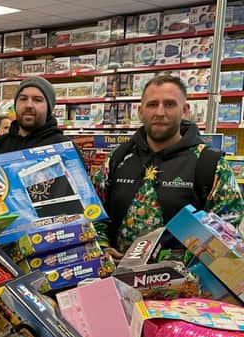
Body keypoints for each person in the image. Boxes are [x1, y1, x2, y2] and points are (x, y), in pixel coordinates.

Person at [92, 75, 244, 258]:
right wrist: (103, 250)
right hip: (116, 279)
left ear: (185, 110)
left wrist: (171, 264)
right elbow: (93, 214)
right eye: (152, 104)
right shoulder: (117, 158)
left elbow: (228, 230)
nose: (160, 112)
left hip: (184, 283)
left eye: (170, 104)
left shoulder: (210, 164)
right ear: (140, 111)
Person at [0, 76, 69, 156]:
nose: (29, 105)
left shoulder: (64, 147)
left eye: (37, 100)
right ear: (15, 104)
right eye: (23, 99)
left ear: (49, 108)